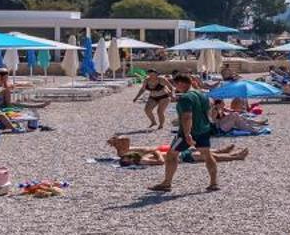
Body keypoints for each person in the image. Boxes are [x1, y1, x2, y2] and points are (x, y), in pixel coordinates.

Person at [149, 73, 221, 192]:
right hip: (204, 129)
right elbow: (211, 112)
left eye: (175, 84)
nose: (175, 87)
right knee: (207, 155)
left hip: (187, 132)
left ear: (181, 84)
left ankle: (167, 183)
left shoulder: (186, 98)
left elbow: (187, 117)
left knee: (171, 155)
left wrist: (187, 134)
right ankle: (214, 183)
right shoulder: (202, 94)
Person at [107, 134, 249, 166]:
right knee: (209, 156)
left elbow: (126, 142)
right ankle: (236, 157)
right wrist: (154, 152)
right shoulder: (142, 160)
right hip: (180, 158)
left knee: (206, 152)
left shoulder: (131, 154)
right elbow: (161, 162)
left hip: (178, 154)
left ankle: (225, 151)